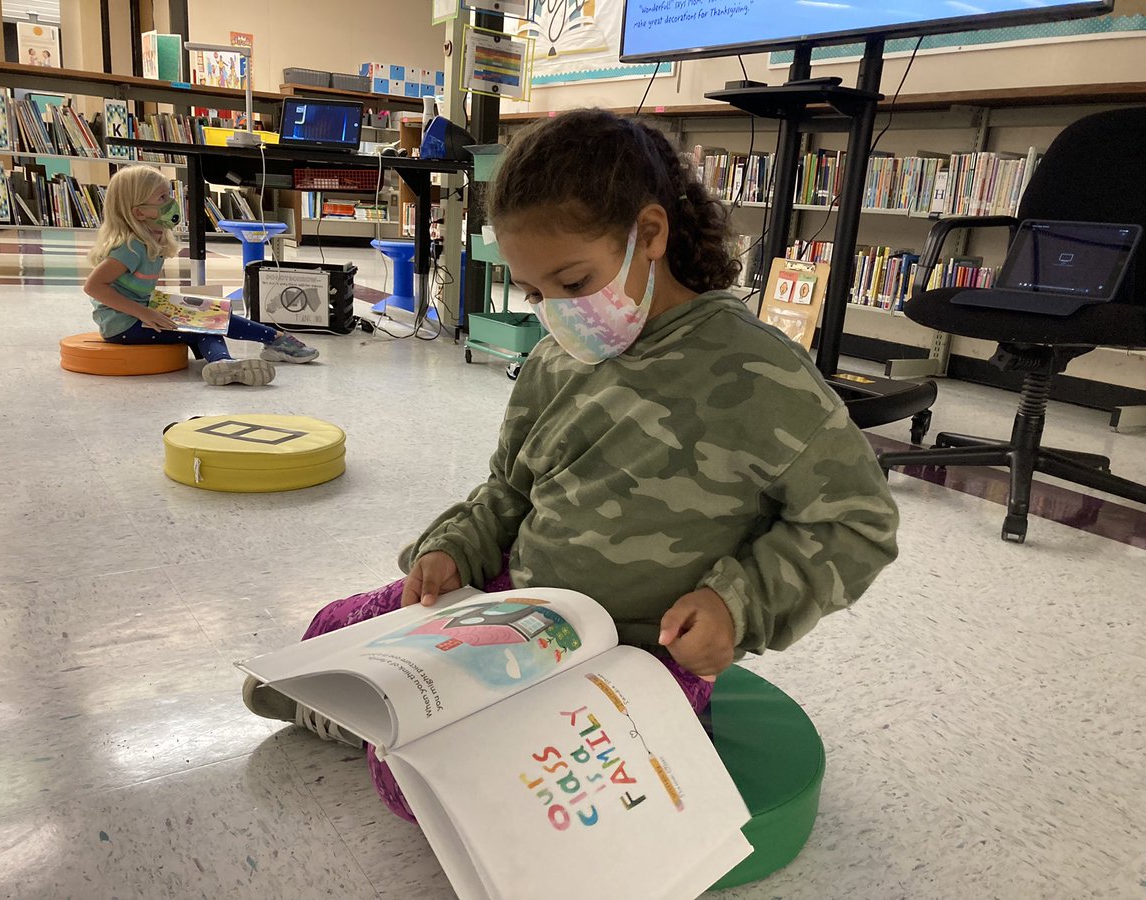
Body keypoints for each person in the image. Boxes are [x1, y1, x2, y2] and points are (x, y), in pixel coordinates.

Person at [243, 108, 900, 821]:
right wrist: (457, 543)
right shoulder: (559, 358)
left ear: (649, 235)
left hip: (642, 653)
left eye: (573, 280)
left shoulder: (761, 375)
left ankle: (362, 721)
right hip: (520, 606)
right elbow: (509, 488)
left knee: (422, 785)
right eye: (534, 293)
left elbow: (856, 523)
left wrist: (737, 604)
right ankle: (349, 706)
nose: (557, 312)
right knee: (337, 626)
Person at [84, 165, 317, 386]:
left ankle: (272, 341)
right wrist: (144, 312)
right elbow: (93, 287)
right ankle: (230, 360)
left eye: (169, 195)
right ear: (140, 212)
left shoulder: (150, 239)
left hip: (139, 313)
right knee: (204, 326)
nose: (171, 203)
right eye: (162, 198)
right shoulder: (130, 247)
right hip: (124, 326)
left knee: (210, 313)